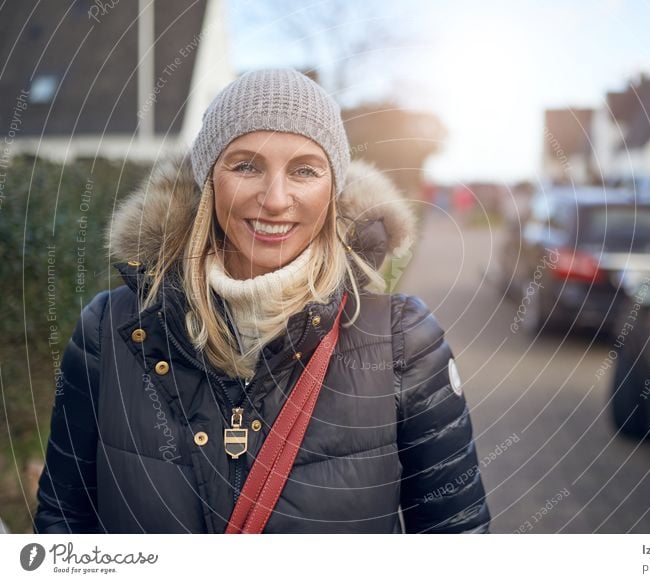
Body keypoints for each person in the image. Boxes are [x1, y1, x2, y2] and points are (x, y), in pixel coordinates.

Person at [34, 69, 491, 533]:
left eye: (305, 170)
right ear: (209, 179)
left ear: (333, 188)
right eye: (246, 165)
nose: (275, 200)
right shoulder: (111, 329)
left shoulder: (401, 340)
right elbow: (63, 522)